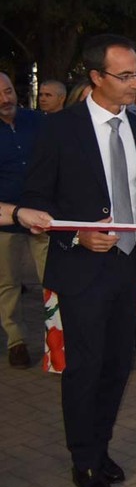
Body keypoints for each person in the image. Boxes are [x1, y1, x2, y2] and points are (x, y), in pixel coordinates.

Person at [22, 34, 136, 487]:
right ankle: (83, 459)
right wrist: (75, 234)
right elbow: (34, 203)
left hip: (128, 264)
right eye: (124, 76)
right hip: (80, 268)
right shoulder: (59, 129)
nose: (134, 84)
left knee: (117, 365)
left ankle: (100, 447)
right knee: (83, 367)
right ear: (96, 77)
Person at [0, 71, 47, 369]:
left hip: (42, 216)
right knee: (8, 282)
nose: (5, 99)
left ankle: (57, 340)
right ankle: (16, 339)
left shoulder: (37, 121)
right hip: (4, 221)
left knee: (51, 278)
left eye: (7, 91)